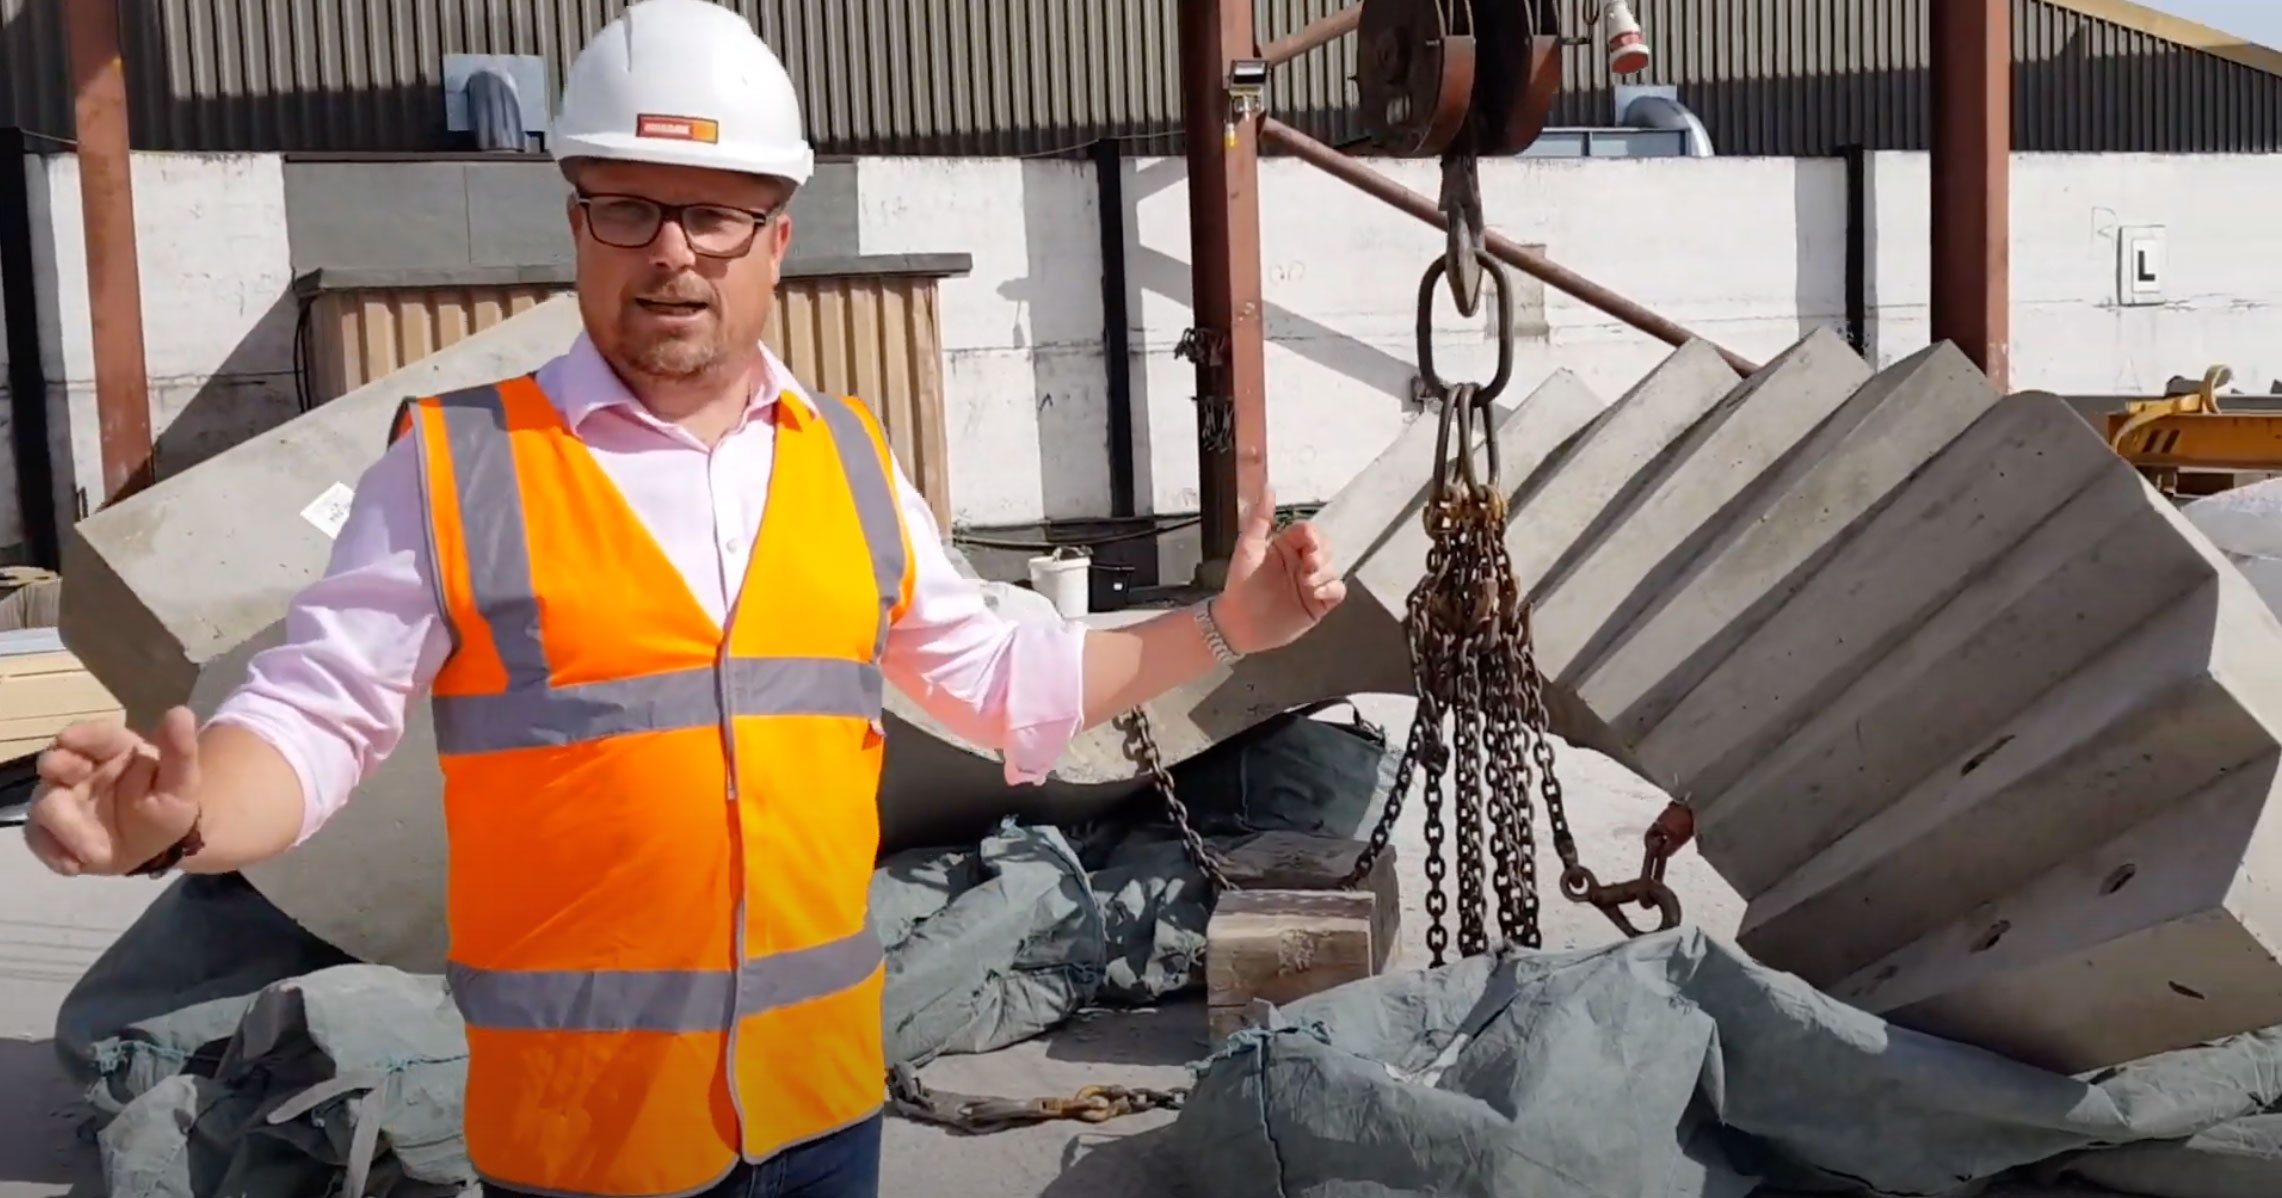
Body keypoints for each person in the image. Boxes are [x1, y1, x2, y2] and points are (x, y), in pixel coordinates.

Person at [21, 2, 1345, 1197]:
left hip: (823, 1114)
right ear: (575, 221)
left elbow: (1015, 685)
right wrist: (187, 811)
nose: (672, 252)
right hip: (584, 1139)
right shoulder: (452, 464)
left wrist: (1231, 629)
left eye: (713, 213)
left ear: (774, 239)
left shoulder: (851, 466)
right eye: (629, 207)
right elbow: (315, 722)